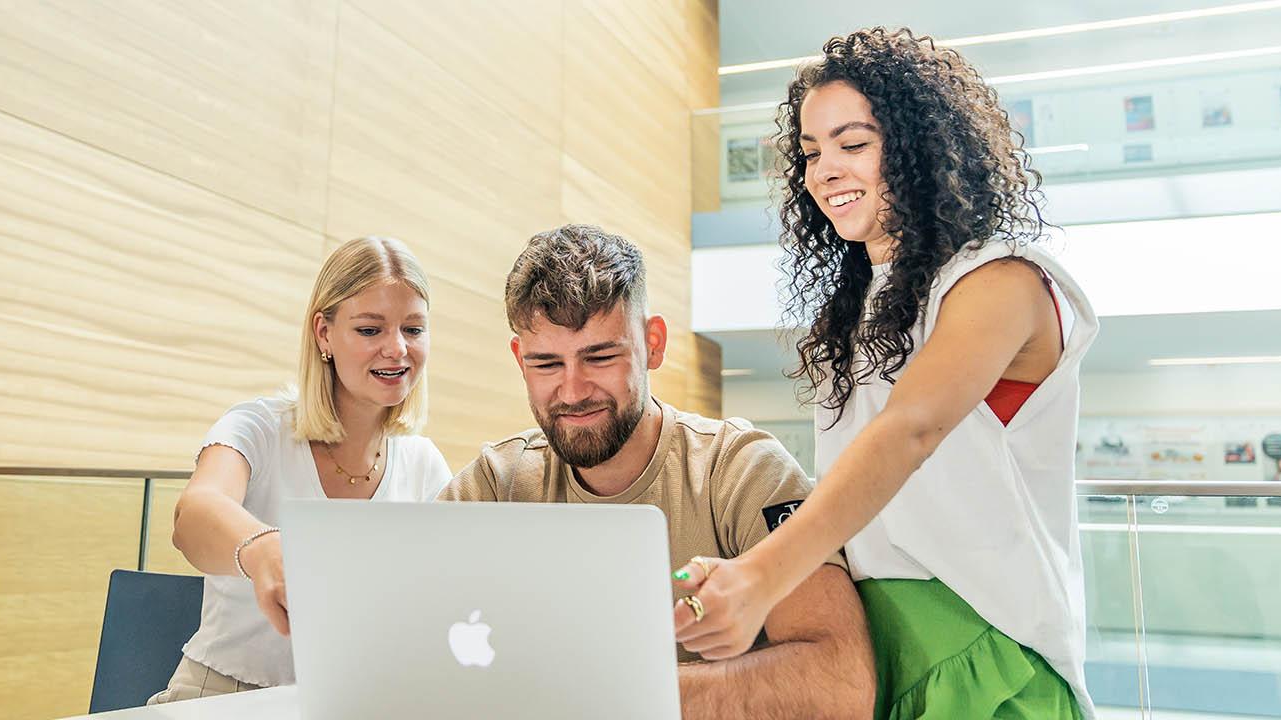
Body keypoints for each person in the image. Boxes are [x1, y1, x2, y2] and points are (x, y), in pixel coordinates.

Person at [670, 28, 1101, 719]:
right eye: (812, 152)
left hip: (990, 654)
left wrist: (760, 576)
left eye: (854, 144)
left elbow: (911, 429)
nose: (825, 171)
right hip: (877, 651)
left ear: (918, 146)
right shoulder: (858, 308)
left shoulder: (1002, 281)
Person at [439, 224, 874, 719]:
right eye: (547, 365)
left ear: (653, 343)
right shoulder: (495, 484)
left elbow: (841, 683)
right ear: (520, 360)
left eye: (600, 357)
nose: (573, 391)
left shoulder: (743, 471)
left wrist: (602, 695)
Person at [152, 236, 452, 703]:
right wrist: (260, 549)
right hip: (223, 694)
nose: (397, 349)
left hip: (353, 700)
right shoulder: (257, 427)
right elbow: (193, 515)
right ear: (324, 333)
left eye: (413, 329)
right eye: (370, 330)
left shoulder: (424, 464)